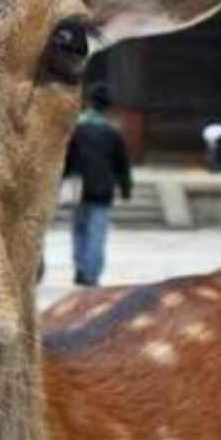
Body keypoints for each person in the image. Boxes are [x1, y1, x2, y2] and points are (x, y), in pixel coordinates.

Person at [62, 83, 132, 287]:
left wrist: (63, 180)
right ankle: (92, 274)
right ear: (107, 107)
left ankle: (81, 268)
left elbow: (67, 158)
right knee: (96, 234)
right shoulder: (112, 133)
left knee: (79, 230)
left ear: (90, 103)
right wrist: (126, 188)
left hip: (78, 188)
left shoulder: (77, 129)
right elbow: (122, 163)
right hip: (103, 190)